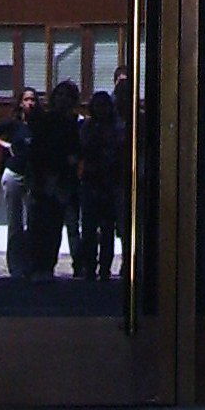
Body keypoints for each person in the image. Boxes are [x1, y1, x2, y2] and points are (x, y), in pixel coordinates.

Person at [26, 79, 81, 277]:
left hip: (62, 180)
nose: (63, 99)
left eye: (68, 96)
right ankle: (35, 266)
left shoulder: (73, 124)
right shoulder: (44, 120)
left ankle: (48, 266)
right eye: (60, 95)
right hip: (42, 178)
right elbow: (36, 150)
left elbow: (75, 152)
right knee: (38, 224)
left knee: (56, 225)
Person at [0, 84, 39, 277]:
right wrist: (5, 145)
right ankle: (15, 266)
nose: (30, 103)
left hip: (33, 176)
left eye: (33, 99)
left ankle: (32, 263)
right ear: (20, 103)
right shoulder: (13, 124)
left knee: (34, 221)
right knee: (15, 222)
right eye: (26, 100)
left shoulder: (39, 125)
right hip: (14, 175)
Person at [79, 87, 122, 281]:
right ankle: (89, 265)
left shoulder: (116, 128)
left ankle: (105, 267)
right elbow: (83, 148)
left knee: (107, 228)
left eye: (105, 106)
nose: (101, 110)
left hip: (110, 180)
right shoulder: (88, 127)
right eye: (98, 106)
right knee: (88, 227)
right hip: (91, 180)